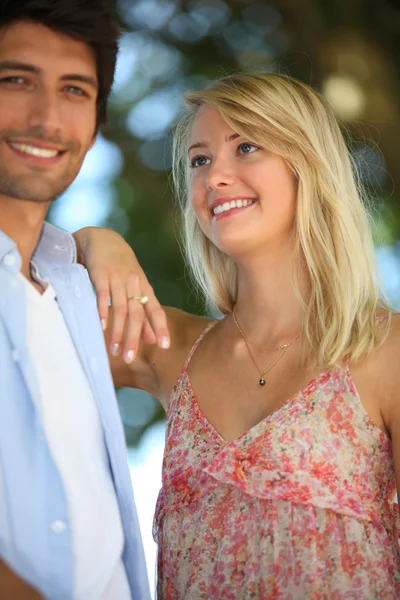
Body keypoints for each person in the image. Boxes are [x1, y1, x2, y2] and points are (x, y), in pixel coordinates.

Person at [76, 72, 400, 599]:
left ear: (308, 164)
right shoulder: (171, 346)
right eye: (199, 160)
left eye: (245, 147)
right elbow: (23, 300)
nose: (215, 177)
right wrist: (94, 241)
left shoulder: (387, 350)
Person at [0, 0, 169, 598]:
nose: (46, 117)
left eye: (74, 90)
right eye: (16, 80)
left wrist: (96, 242)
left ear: (95, 123)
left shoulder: (78, 293)